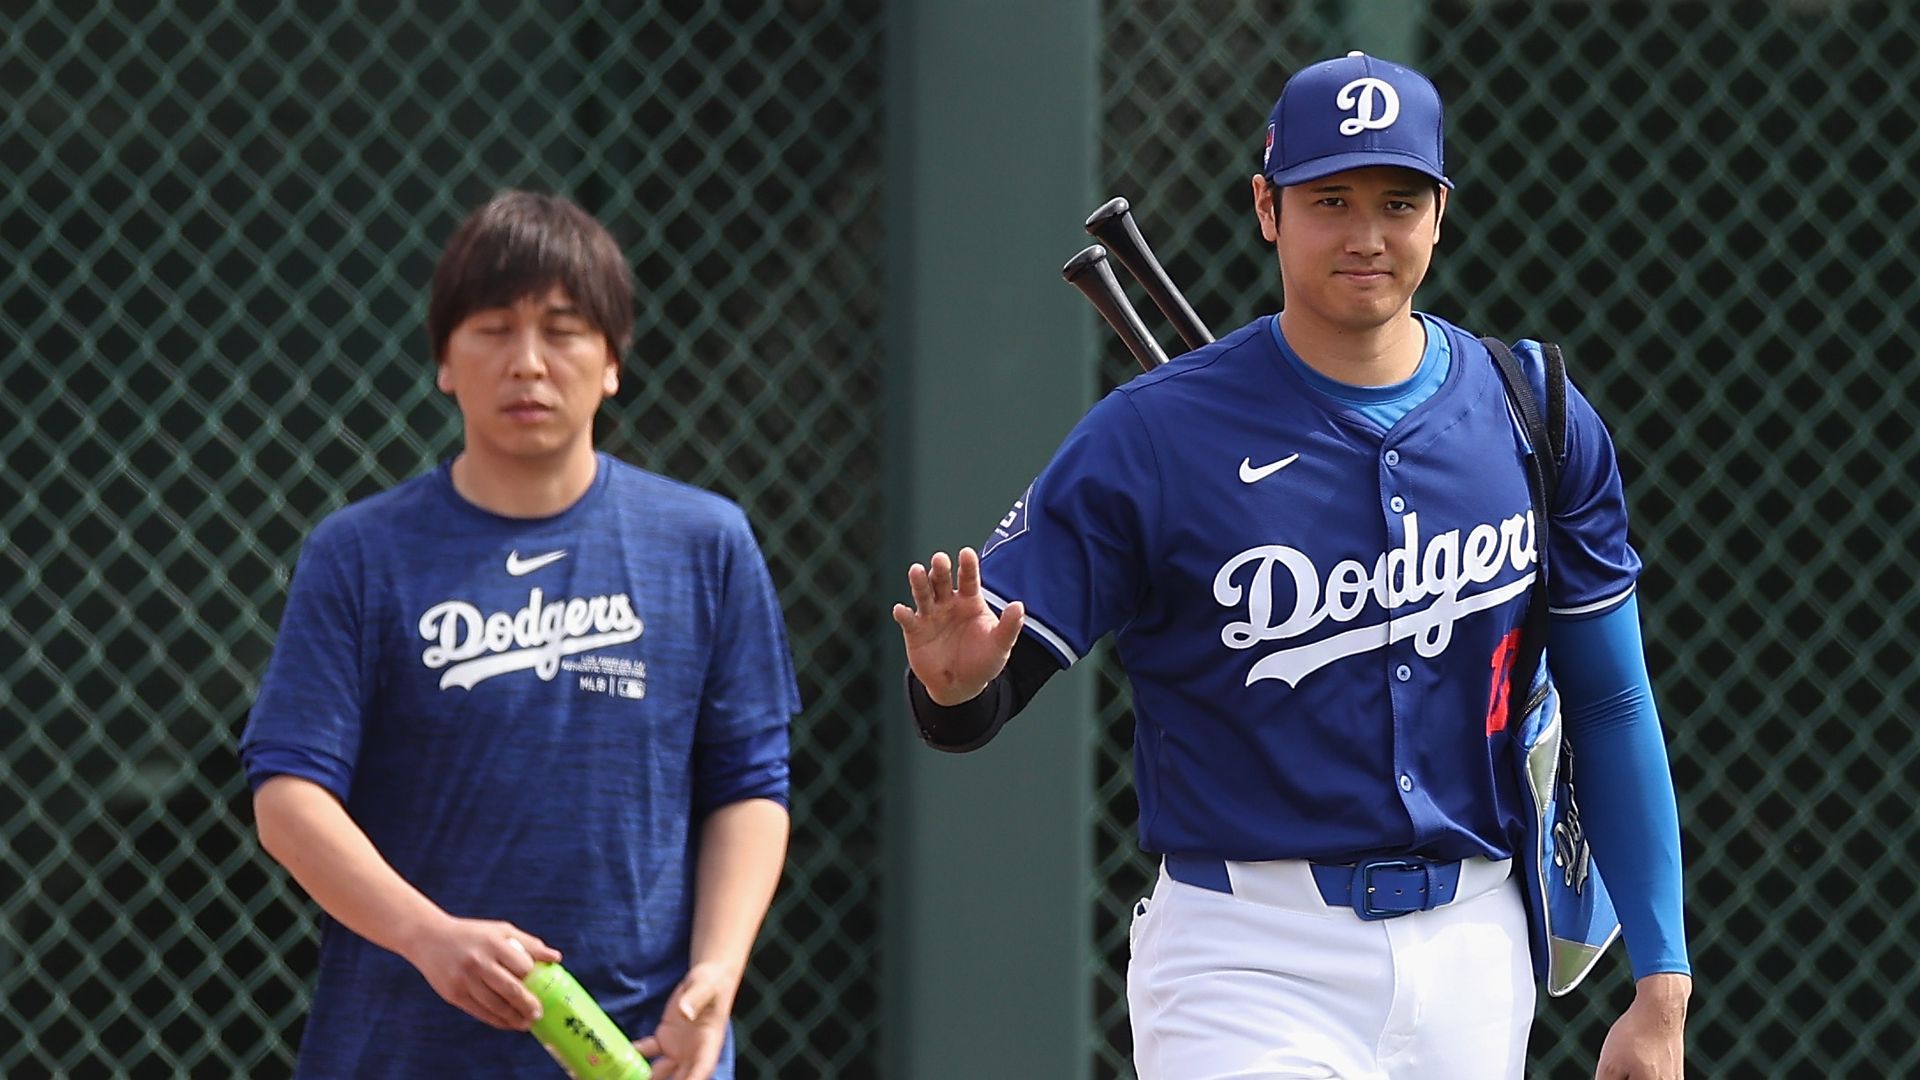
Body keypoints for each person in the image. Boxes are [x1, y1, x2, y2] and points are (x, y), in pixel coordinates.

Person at [893, 52, 1690, 1079]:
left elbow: (1613, 699)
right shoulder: (1154, 435)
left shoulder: (1532, 410)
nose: (1367, 235)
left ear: (1440, 212)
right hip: (1248, 956)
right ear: (1267, 208)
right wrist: (956, 686)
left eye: (1399, 201)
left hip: (1472, 947)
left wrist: (1661, 985)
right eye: (1330, 199)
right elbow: (986, 690)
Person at [240, 190, 799, 1080]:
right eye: (494, 329)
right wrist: (429, 939)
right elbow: (289, 798)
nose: (528, 364)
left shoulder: (705, 544)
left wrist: (717, 977)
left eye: (565, 329)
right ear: (444, 363)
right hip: (400, 1053)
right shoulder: (359, 556)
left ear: (613, 362)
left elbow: (751, 784)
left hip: (641, 1055)